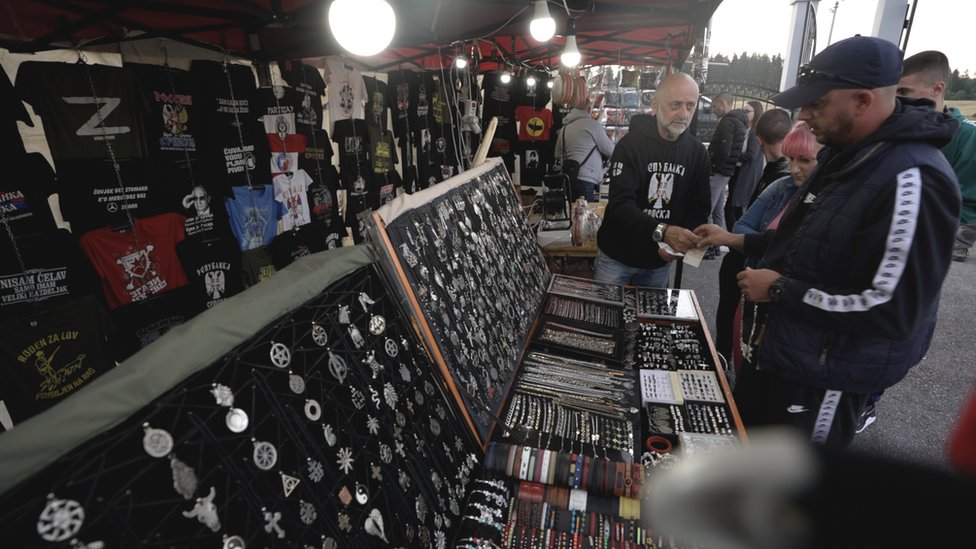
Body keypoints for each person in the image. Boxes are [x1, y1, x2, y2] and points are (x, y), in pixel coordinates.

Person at [694, 35, 961, 448]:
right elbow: (802, 242)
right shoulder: (846, 156)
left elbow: (892, 309)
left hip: (823, 381)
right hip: (784, 360)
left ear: (862, 101)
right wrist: (734, 240)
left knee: (791, 484)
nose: (803, 115)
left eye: (817, 103)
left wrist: (779, 290)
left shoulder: (914, 179)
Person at [594, 72, 710, 288]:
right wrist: (663, 232)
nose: (683, 114)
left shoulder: (697, 153)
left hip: (659, 262)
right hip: (618, 255)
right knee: (606, 308)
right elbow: (621, 205)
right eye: (675, 105)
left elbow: (699, 208)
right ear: (655, 105)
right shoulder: (630, 146)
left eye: (690, 106)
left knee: (652, 311)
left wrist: (678, 246)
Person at [713, 110, 795, 364]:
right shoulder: (781, 183)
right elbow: (745, 228)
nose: (797, 168)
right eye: (794, 159)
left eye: (805, 160)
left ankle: (724, 362)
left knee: (745, 329)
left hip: (758, 273)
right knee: (737, 323)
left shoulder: (782, 180)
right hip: (748, 266)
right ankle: (724, 362)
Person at [897, 50, 976, 263]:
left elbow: (969, 199)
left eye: (904, 91)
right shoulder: (896, 128)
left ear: (937, 89)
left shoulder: (968, 136)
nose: (897, 100)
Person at [704, 91, 748, 258]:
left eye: (714, 106)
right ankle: (715, 245)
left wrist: (712, 168)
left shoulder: (727, 122)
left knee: (707, 208)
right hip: (727, 172)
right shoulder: (739, 122)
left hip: (719, 172)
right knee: (717, 211)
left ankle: (709, 246)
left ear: (722, 103)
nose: (713, 109)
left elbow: (724, 150)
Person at [554, 95, 615, 202]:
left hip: (568, 178)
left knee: (572, 209)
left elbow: (557, 154)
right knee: (584, 211)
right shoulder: (593, 126)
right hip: (587, 178)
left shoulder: (565, 128)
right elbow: (610, 150)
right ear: (588, 109)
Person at [724, 100, 765, 229]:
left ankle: (734, 237)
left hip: (745, 174)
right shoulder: (747, 129)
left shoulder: (755, 132)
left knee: (730, 209)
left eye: (747, 111)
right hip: (737, 172)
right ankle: (738, 236)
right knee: (736, 210)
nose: (744, 114)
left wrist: (733, 154)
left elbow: (751, 155)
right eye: (743, 111)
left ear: (756, 113)